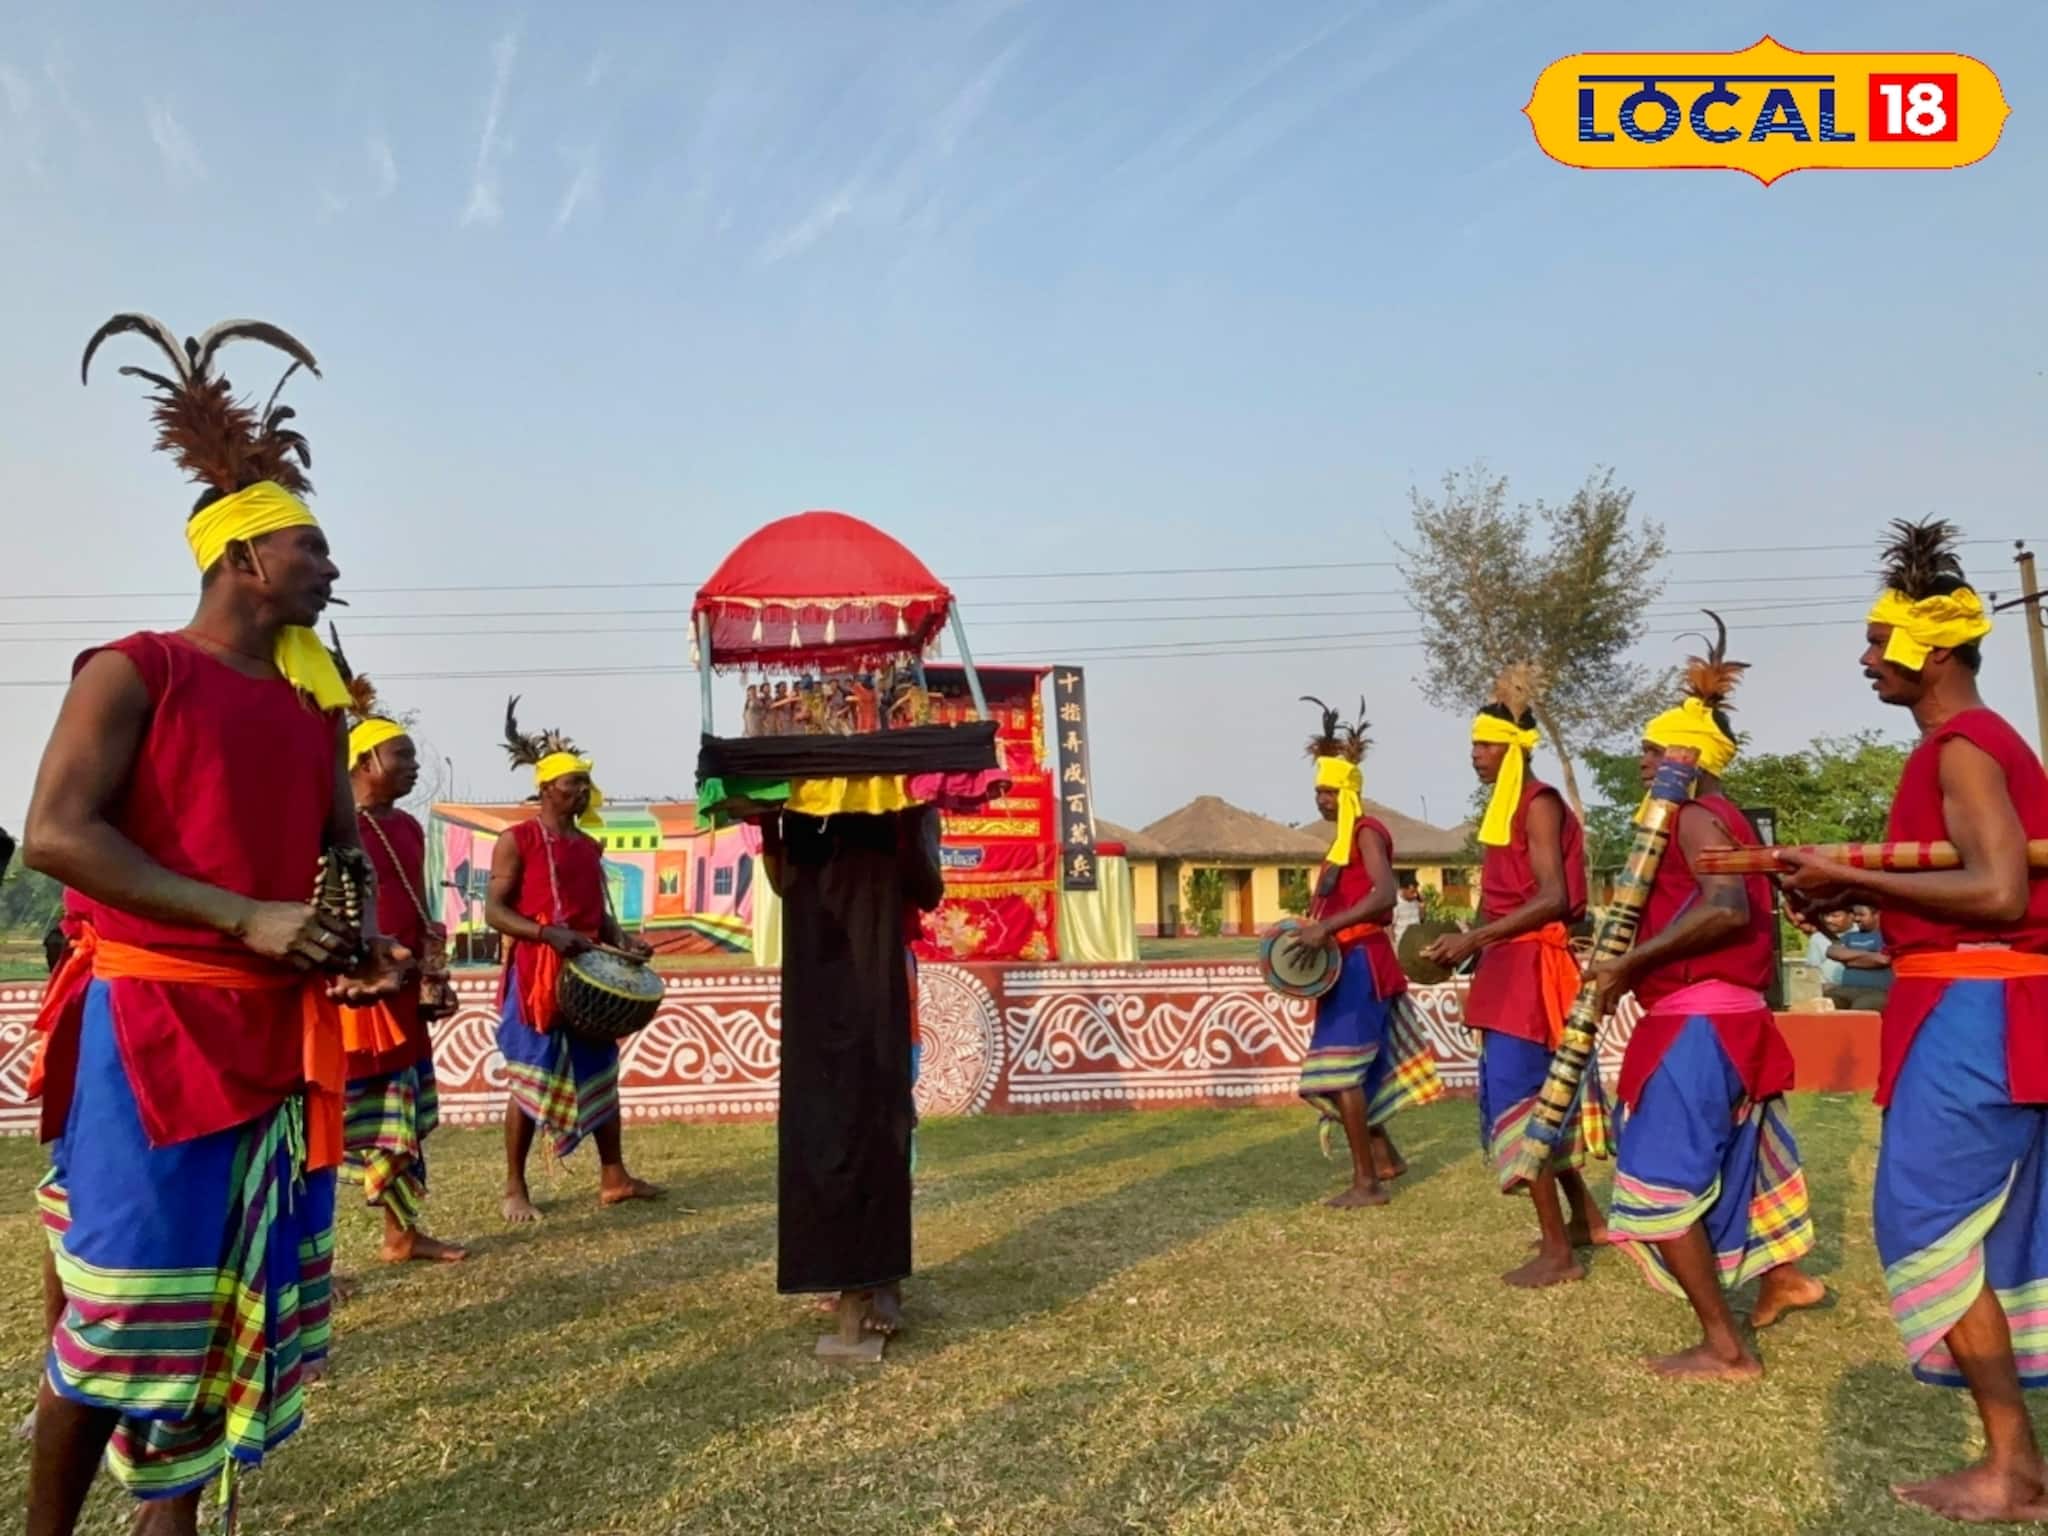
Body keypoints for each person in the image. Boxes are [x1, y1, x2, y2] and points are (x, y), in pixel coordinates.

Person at [20, 312, 407, 1535]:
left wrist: (360, 947)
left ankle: (168, 1520)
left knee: (220, 1299)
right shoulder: (134, 670)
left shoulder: (311, 720)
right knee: (127, 1310)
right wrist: (245, 916)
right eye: (313, 546)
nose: (331, 569)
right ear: (244, 558)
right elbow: (57, 834)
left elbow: (336, 865)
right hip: (152, 1031)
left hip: (272, 1047)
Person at [1776, 520, 2048, 1522]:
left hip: (1975, 1009)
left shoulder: (1963, 745)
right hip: (1974, 999)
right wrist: (1854, 904)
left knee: (1930, 1224)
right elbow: (1962, 893)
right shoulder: (1971, 744)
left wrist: (1844, 868)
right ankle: (2011, 1457)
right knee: (1964, 1224)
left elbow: (1994, 888)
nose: (1861, 659)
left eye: (1874, 640)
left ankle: (2011, 1468)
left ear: (1927, 650)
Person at [1587, 615, 1826, 1380]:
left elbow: (1722, 907)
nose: (1641, 762)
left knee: (1656, 1180)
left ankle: (1724, 1346)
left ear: (1684, 759)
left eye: (1653, 750)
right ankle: (1782, 1280)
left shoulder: (1692, 813)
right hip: (1732, 1019)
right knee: (1742, 1160)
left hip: (1700, 1024)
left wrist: (1631, 964)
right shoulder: (1725, 817)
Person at [1423, 663, 1606, 1287]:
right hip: (1506, 968)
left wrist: (1478, 936)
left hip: (1532, 970)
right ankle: (1584, 1221)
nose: (1476, 755)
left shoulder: (1539, 804)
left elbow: (1554, 896)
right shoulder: (1502, 811)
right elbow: (1496, 899)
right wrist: (1461, 948)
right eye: (1474, 744)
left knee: (1523, 1101)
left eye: (1485, 745)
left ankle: (1558, 1254)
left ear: (1514, 749)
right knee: (1533, 1099)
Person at [764, 799, 945, 1352]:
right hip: (821, 980)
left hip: (884, 974)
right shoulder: (801, 807)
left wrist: (908, 824)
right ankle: (838, 1263)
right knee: (823, 1121)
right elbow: (783, 883)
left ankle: (884, 1276)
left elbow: (928, 890)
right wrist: (769, 829)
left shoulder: (905, 802)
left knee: (886, 1123)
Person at [489, 698, 658, 1222]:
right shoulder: (515, 840)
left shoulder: (588, 846)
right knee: (531, 1076)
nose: (581, 792)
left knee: (601, 1069)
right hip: (537, 976)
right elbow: (494, 911)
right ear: (545, 788)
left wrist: (624, 943)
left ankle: (614, 1176)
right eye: (572, 784)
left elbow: (600, 919)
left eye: (586, 783)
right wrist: (546, 934)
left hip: (587, 977)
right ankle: (515, 1187)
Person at [330, 636, 467, 1264]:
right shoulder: (337, 827)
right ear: (362, 761)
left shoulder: (407, 825)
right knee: (346, 1121)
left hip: (406, 992)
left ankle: (400, 1235)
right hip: (357, 996)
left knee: (403, 1120)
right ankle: (314, 1252)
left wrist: (433, 970)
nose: (414, 766)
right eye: (401, 755)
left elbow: (415, 907)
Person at [1287, 698, 1443, 1207]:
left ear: (1349, 790)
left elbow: (1383, 895)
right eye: (1317, 792)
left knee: (1337, 1073)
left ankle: (1367, 1183)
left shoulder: (1367, 832)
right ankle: (1386, 1158)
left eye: (1330, 792)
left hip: (1363, 966)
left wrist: (1327, 926)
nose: (1322, 800)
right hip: (1342, 971)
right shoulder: (1336, 847)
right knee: (1346, 1073)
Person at [1825, 902, 1895, 1011]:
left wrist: (1848, 958)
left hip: (1876, 992)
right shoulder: (1849, 936)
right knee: (1823, 1006)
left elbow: (1884, 960)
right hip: (1845, 990)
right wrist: (1870, 955)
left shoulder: (1887, 936)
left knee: (1860, 1013)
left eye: (1861, 915)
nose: (1856, 919)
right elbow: (1832, 952)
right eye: (1855, 914)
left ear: (1877, 915)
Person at [1391, 879, 1425, 945]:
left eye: (1416, 891)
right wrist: (1393, 943)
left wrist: (1422, 906)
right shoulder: (1395, 903)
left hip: (1416, 940)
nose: (1415, 894)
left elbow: (1422, 919)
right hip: (1401, 942)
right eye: (1412, 892)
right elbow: (1391, 926)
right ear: (1403, 890)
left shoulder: (1416, 901)